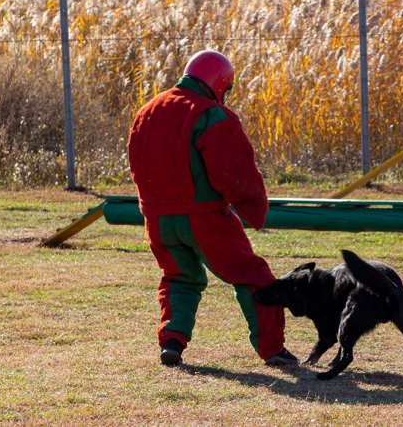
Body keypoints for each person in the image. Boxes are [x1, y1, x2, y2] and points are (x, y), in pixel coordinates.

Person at [127, 50, 298, 367]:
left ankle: (173, 343)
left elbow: (136, 164)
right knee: (253, 276)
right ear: (220, 83)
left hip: (157, 220)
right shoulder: (211, 114)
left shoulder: (147, 110)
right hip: (204, 217)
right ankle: (272, 349)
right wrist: (253, 209)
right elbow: (235, 173)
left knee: (180, 278)